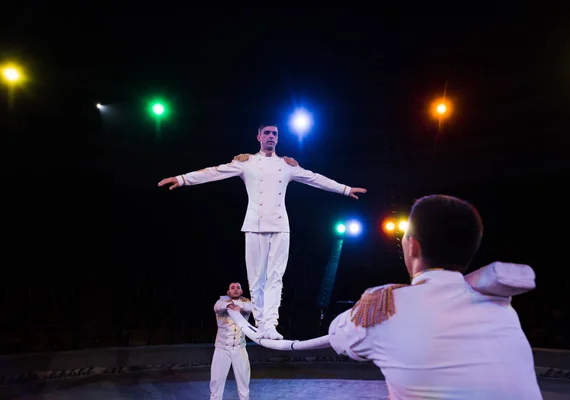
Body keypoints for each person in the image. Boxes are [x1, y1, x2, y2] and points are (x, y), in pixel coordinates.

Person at [158, 123, 366, 340]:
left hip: (280, 226)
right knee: (257, 278)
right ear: (258, 137)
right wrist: (182, 179)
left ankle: (270, 324)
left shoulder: (286, 165)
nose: (271, 136)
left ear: (278, 138)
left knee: (276, 277)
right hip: (254, 225)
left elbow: (314, 178)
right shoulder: (246, 163)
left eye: (275, 133)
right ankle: (260, 323)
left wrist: (345, 189)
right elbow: (215, 172)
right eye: (266, 133)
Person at [328, 195, 543, 399]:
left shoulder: (385, 307)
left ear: (413, 246)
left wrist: (372, 302)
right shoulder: (505, 311)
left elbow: (337, 335)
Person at [210, 282, 253, 400]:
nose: (235, 290)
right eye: (232, 288)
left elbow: (252, 308)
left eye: (238, 288)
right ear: (228, 292)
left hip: (239, 348)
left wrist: (240, 307)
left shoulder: (246, 303)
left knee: (244, 380)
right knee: (216, 381)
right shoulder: (222, 302)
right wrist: (229, 306)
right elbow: (217, 307)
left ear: (241, 291)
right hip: (222, 348)